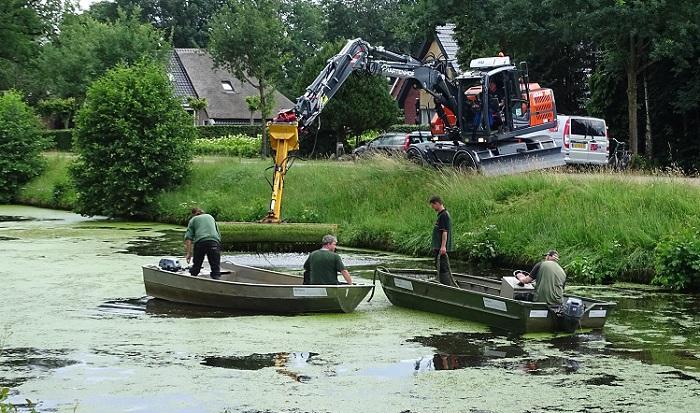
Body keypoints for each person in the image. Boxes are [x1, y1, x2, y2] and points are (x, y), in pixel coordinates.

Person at [184, 207, 222, 279]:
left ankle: (192, 279)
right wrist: (217, 249)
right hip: (214, 242)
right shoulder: (210, 217)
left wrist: (188, 253)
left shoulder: (193, 220)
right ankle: (217, 283)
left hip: (201, 242)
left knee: (196, 267)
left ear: (193, 214)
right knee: (216, 270)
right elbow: (218, 234)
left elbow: (188, 238)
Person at [429, 195, 457, 286]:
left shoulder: (444, 215)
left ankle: (446, 286)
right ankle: (442, 283)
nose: (432, 208)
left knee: (443, 266)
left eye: (433, 205)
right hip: (439, 247)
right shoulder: (441, 215)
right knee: (439, 265)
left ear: (437, 203)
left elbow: (445, 232)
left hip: (441, 248)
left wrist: (443, 246)